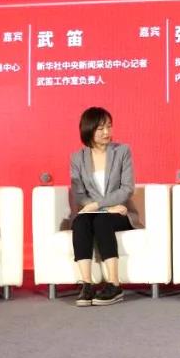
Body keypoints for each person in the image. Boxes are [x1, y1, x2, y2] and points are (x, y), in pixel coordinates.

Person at [69, 107, 138, 306]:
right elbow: (79, 194)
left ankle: (114, 284)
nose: (107, 132)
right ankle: (87, 285)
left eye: (109, 126)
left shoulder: (122, 151)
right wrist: (104, 208)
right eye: (100, 128)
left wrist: (99, 205)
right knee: (80, 222)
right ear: (88, 130)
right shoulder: (77, 158)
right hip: (97, 212)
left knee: (101, 221)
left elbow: (127, 189)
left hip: (120, 213)